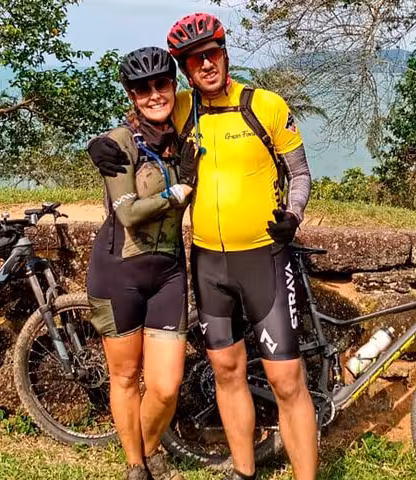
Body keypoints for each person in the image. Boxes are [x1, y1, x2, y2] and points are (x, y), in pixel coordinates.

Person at [89, 13, 318, 480]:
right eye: (194, 60)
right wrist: (103, 146)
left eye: (211, 53)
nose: (206, 64)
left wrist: (292, 215)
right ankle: (243, 471)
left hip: (264, 257)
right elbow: (140, 121)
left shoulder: (265, 105)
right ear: (185, 69)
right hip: (208, 262)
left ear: (224, 53)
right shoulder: (182, 109)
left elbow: (300, 172)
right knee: (228, 373)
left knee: (287, 380)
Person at [86, 46, 197, 480]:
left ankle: (147, 451)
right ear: (131, 94)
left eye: (161, 83)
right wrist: (176, 192)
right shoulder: (118, 143)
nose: (154, 94)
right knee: (127, 376)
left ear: (174, 85)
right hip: (119, 271)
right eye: (142, 88)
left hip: (169, 271)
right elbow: (128, 213)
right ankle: (136, 467)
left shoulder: (186, 136)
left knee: (166, 387)